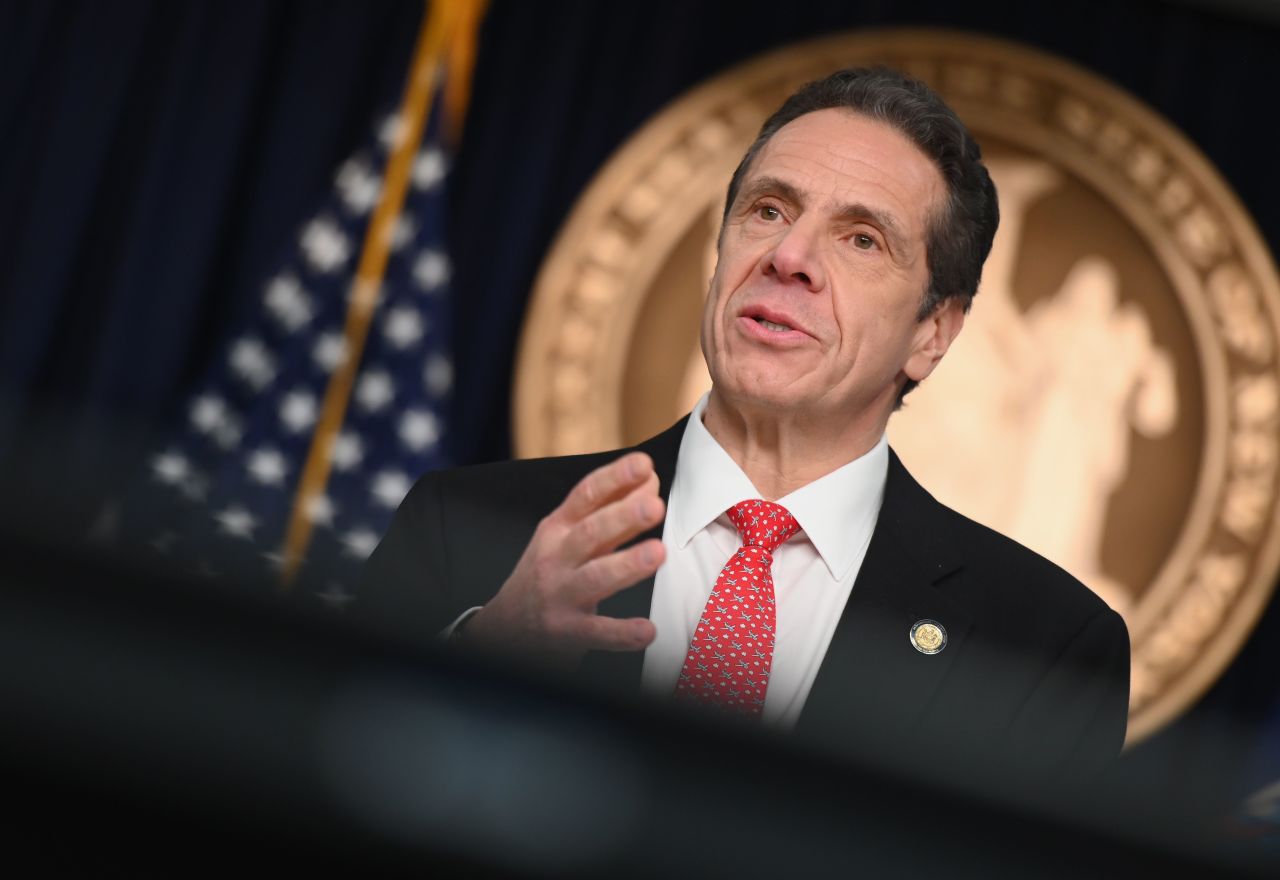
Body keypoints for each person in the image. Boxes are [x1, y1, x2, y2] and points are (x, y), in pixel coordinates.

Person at [358, 67, 1130, 783]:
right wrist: (489, 655)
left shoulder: (1043, 650)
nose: (789, 256)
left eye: (862, 239)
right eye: (768, 210)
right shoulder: (467, 527)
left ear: (934, 332)